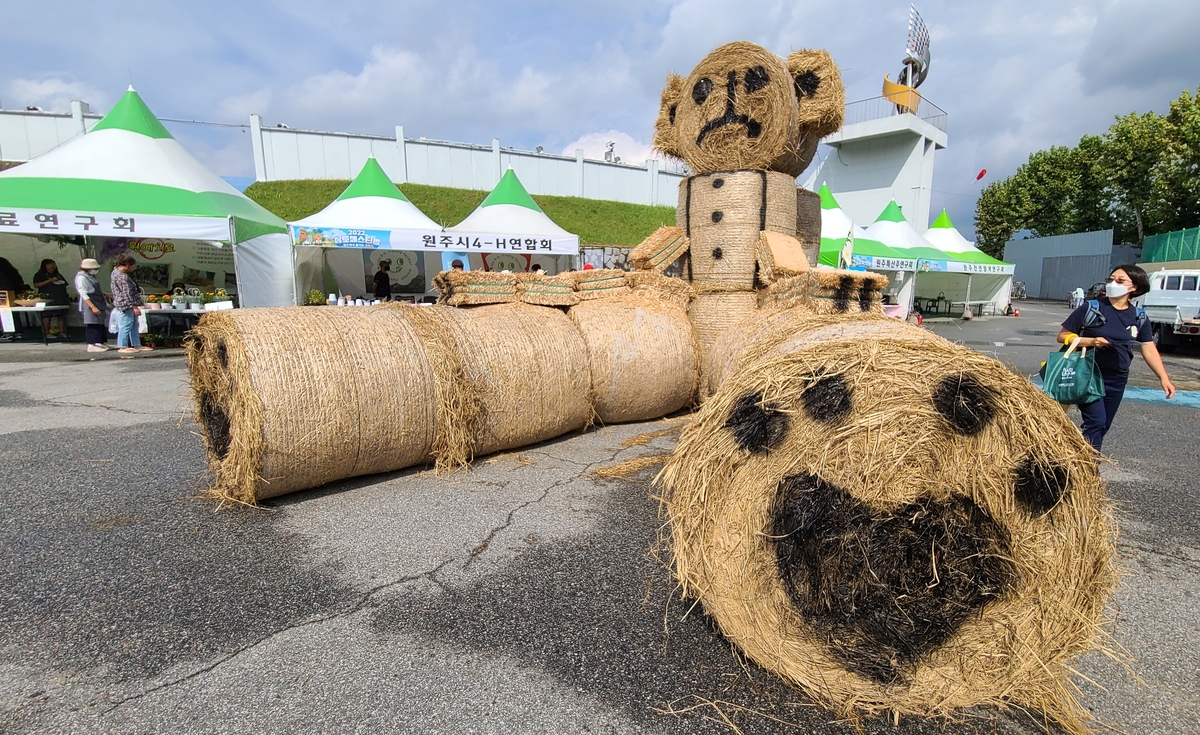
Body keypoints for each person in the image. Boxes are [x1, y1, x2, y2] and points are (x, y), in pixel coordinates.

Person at [1057, 264, 1175, 451]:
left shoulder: (1139, 316)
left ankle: (1075, 457)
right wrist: (1090, 341)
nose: (1113, 284)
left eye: (1120, 281)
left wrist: (1164, 378)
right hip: (1088, 375)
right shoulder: (1092, 308)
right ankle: (1089, 470)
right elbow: (1062, 336)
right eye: (1111, 280)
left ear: (1134, 287)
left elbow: (1149, 348)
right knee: (1096, 422)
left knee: (1102, 427)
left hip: (1117, 379)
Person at [110, 253, 150, 354]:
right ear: (127, 265)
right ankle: (122, 346)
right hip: (126, 304)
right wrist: (134, 307)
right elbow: (126, 293)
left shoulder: (115, 272)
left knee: (133, 324)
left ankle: (136, 344)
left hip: (124, 303)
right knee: (126, 324)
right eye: (132, 266)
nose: (133, 268)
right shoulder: (122, 277)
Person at [75, 259, 110, 352]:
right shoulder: (81, 278)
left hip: (97, 301)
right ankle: (92, 344)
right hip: (90, 302)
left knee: (99, 323)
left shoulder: (89, 277)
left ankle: (99, 342)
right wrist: (92, 306)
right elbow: (84, 293)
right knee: (92, 323)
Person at [32, 259, 71, 339]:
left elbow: (64, 285)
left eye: (53, 264)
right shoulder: (40, 275)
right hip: (48, 298)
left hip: (60, 297)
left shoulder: (58, 274)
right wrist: (49, 280)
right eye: (49, 264)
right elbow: (36, 285)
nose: (52, 266)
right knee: (47, 316)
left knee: (61, 316)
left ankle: (62, 332)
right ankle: (47, 333)